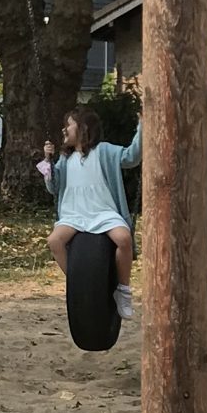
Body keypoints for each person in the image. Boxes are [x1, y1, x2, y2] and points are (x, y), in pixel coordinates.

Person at [41, 106, 142, 320]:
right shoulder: (65, 158)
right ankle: (78, 283)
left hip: (103, 211)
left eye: (68, 124)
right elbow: (53, 187)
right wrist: (48, 162)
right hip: (73, 214)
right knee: (54, 241)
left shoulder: (104, 151)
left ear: (83, 127)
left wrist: (143, 127)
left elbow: (131, 157)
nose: (64, 129)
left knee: (123, 239)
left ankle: (123, 290)